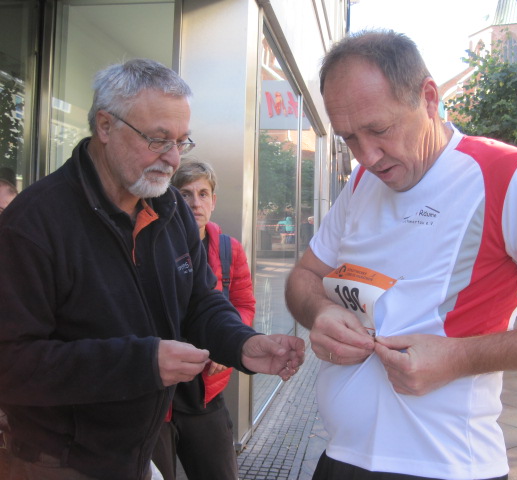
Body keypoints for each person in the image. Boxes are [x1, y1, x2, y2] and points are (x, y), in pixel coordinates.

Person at [284, 30, 517, 480]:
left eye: (380, 129)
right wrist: (320, 312)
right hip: (340, 458)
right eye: (349, 138)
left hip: (445, 467)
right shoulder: (360, 183)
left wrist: (461, 357)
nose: (367, 156)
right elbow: (304, 277)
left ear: (429, 98)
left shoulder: (508, 175)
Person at [0, 58, 304, 480]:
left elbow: (201, 302)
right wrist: (142, 363)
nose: (174, 158)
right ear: (105, 126)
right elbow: (11, 362)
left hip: (137, 453)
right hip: (57, 462)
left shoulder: (170, 206)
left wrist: (241, 343)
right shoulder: (33, 223)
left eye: (182, 141)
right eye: (158, 140)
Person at [151, 160, 256, 480]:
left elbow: (243, 304)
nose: (195, 203)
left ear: (213, 201)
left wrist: (228, 344)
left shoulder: (228, 249)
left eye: (203, 194)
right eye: (185, 194)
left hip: (206, 390)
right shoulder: (151, 244)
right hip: (157, 394)